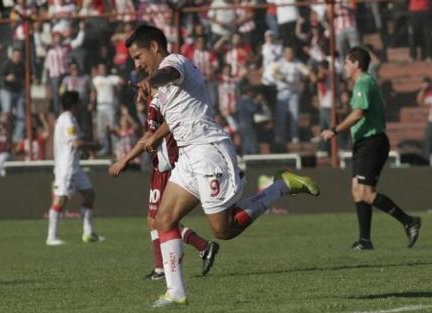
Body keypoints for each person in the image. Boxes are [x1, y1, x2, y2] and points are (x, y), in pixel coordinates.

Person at [126, 25, 319, 307]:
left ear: (154, 46)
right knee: (163, 220)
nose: (137, 63)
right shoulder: (165, 89)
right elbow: (177, 117)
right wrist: (154, 135)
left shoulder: (174, 63)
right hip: (188, 156)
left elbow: (167, 74)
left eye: (139, 56)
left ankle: (281, 186)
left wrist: (151, 80)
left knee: (223, 230)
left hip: (209, 151)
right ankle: (176, 292)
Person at [109, 91, 220, 281]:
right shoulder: (166, 99)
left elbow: (149, 137)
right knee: (154, 219)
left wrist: (124, 160)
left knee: (158, 219)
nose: (138, 94)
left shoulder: (156, 103)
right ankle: (167, 264)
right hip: (161, 166)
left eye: (139, 88)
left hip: (168, 167)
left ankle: (195, 249)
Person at [321, 47, 422, 251]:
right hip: (363, 143)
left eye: (347, 63)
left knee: (366, 193)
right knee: (357, 192)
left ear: (356, 64)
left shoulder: (363, 82)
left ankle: (409, 221)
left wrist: (334, 130)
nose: (345, 67)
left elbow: (359, 113)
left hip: (372, 143)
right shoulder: (365, 83)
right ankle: (365, 241)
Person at [46, 91, 104, 246]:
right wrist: (94, 146)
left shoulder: (68, 119)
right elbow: (75, 144)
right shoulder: (67, 121)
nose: (81, 104)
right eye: (79, 102)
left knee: (89, 195)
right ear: (74, 104)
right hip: (66, 167)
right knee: (61, 199)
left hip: (75, 166)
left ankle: (88, 232)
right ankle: (51, 236)